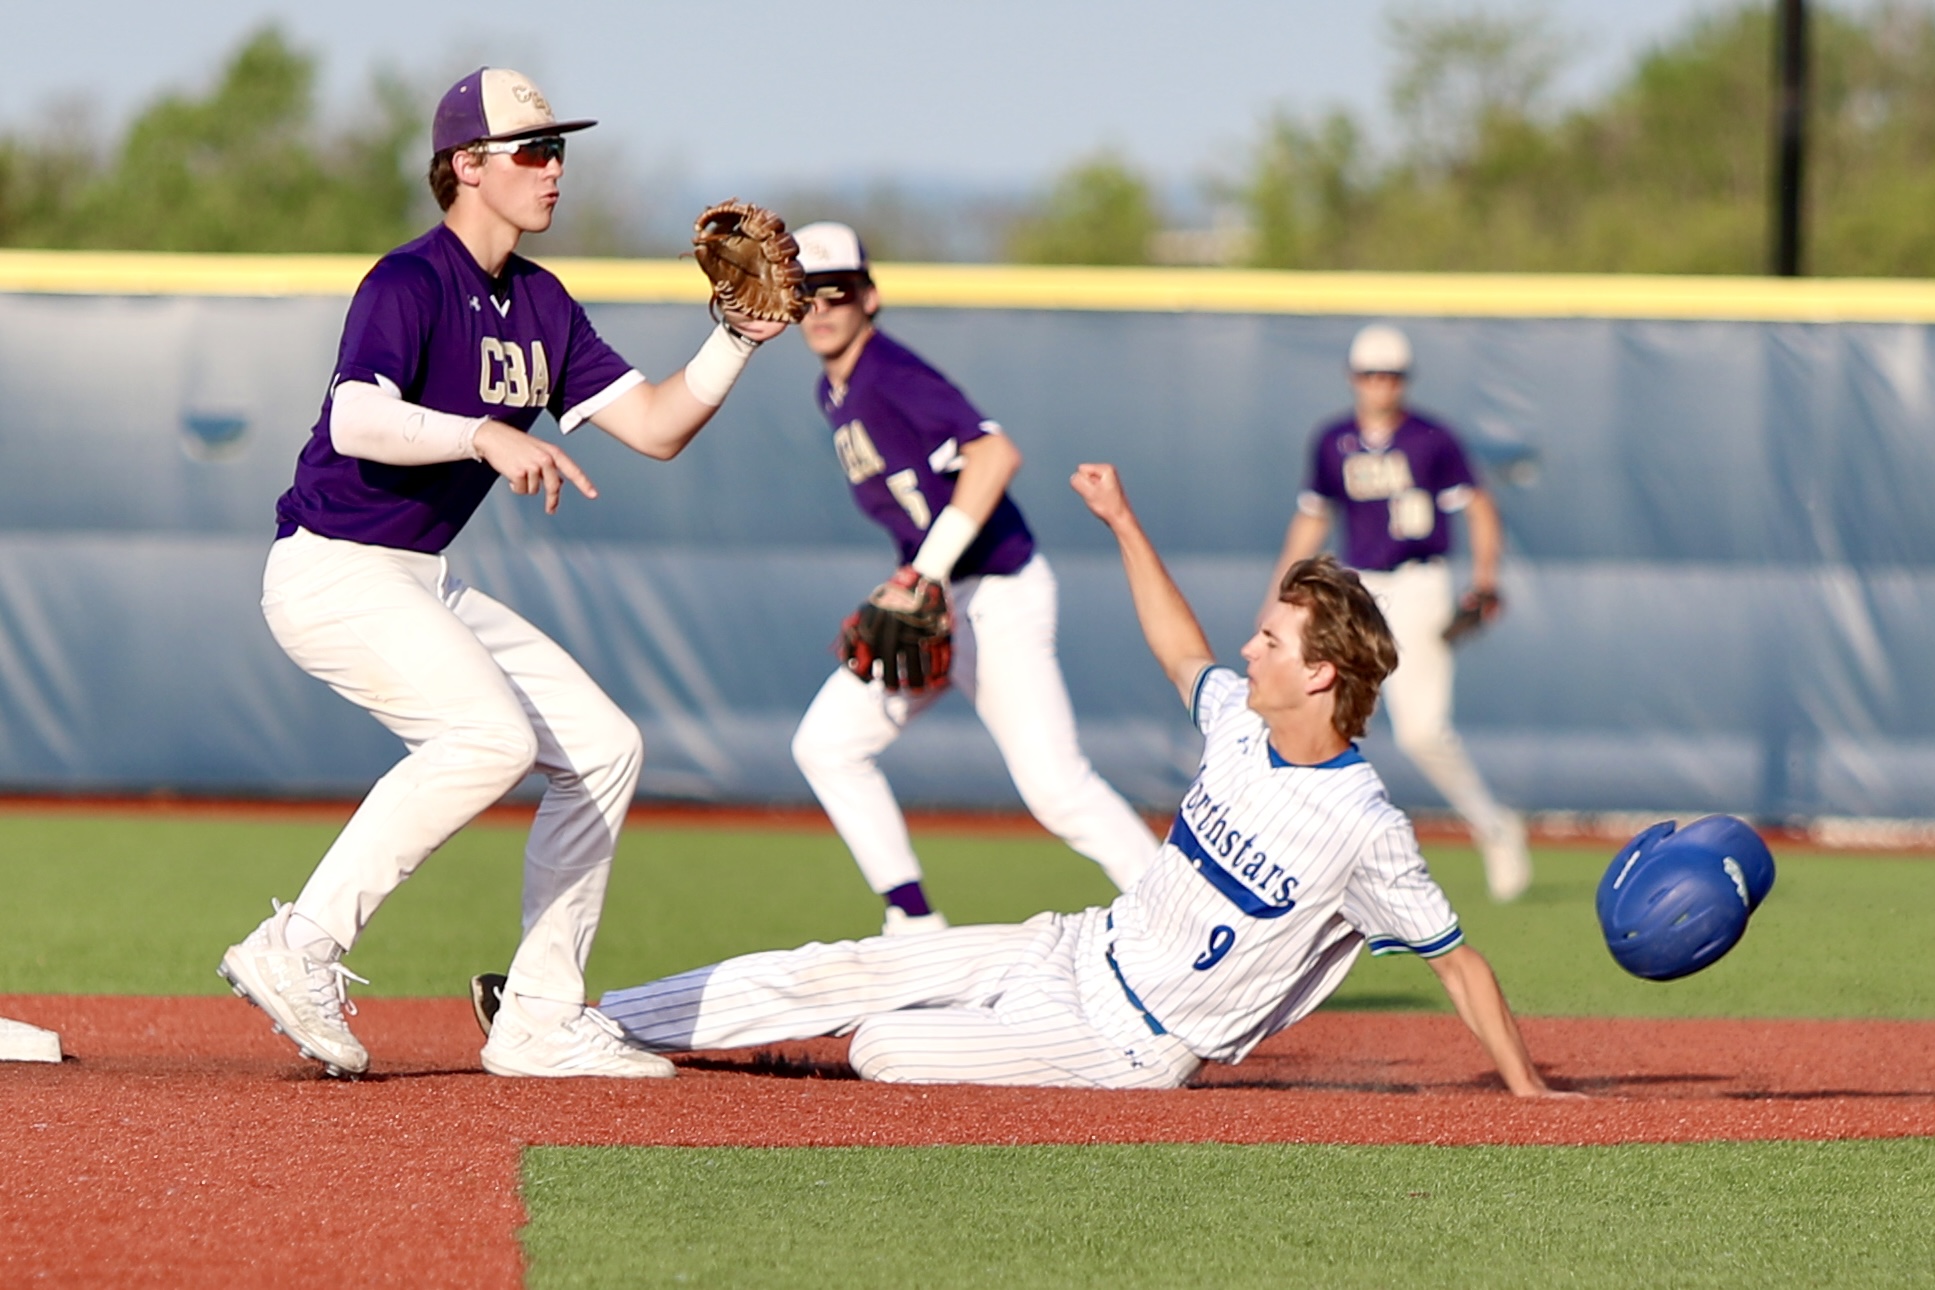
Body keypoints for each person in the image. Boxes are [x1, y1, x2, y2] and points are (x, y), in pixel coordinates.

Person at [508, 464, 1570, 1096]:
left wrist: (1526, 1088)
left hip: (1127, 1042)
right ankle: (589, 1018)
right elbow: (1176, 647)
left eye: (1271, 641)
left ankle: (768, 1054)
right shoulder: (1245, 728)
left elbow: (1456, 962)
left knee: (882, 1048)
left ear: (1322, 674)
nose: (1248, 654)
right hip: (1073, 943)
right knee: (849, 966)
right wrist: (1121, 521)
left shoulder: (1362, 825)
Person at [217, 68, 788, 1080]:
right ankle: (297, 947)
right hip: (333, 570)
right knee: (487, 737)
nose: (555, 167)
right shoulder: (410, 279)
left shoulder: (541, 303)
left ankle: (536, 1016)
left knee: (606, 747)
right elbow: (355, 416)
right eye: (534, 150)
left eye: (559, 148)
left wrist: (735, 341)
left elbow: (655, 428)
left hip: (416, 578)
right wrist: (481, 434)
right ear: (467, 166)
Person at [784, 221, 1158, 934]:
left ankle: (1182, 918)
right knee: (827, 745)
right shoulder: (832, 391)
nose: (820, 308)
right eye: (804, 294)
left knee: (1055, 788)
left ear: (870, 295)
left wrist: (922, 573)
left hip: (998, 595)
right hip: (940, 599)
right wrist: (918, 580)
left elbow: (994, 455)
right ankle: (914, 922)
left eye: (837, 291)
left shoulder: (889, 373)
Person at [1268, 324, 1532, 903]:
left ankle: (1493, 826)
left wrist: (1484, 580)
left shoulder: (1431, 438)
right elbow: (1313, 516)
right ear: (1353, 378)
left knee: (1421, 732)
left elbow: (1479, 508)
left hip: (1418, 584)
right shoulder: (1332, 439)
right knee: (1320, 717)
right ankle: (1304, 854)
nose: (1380, 386)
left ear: (1404, 380)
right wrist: (1283, 594)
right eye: (1369, 375)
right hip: (1358, 590)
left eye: (1390, 375)